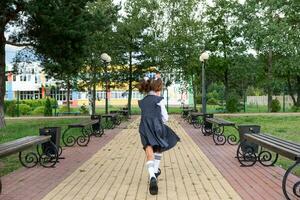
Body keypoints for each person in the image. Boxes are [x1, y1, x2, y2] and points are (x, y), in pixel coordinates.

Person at [137, 73, 180, 195]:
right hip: (157, 128)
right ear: (157, 89)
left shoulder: (143, 101)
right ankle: (155, 171)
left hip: (144, 128)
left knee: (149, 152)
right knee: (159, 148)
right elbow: (165, 117)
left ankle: (152, 176)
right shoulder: (159, 100)